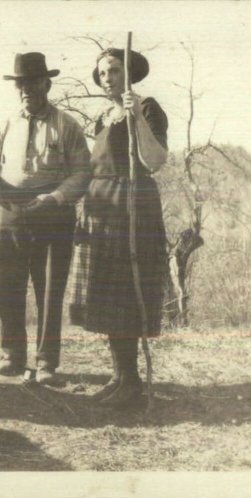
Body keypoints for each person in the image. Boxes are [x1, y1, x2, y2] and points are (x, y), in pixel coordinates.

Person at [0, 52, 92, 385]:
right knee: (6, 287)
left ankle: (46, 364)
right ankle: (12, 356)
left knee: (49, 290)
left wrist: (55, 197)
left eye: (33, 82)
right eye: (21, 83)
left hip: (53, 215)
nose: (26, 89)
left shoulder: (66, 125)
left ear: (47, 83)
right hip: (9, 213)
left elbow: (82, 173)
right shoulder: (6, 125)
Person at [70, 48, 169, 406]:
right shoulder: (102, 118)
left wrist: (136, 117)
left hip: (132, 208)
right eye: (102, 72)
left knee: (127, 291)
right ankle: (120, 376)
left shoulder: (147, 108)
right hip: (101, 210)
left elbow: (155, 161)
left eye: (114, 70)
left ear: (130, 75)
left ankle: (131, 384)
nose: (107, 77)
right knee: (107, 293)